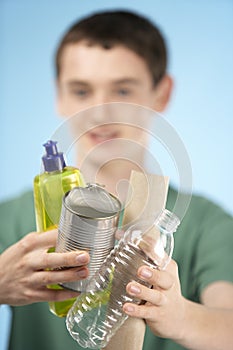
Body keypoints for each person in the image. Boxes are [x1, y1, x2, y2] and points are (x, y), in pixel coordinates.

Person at [0, 9, 233, 350]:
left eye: (122, 91)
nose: (100, 111)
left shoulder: (206, 226)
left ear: (162, 93)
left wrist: (180, 316)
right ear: (59, 95)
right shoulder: (11, 219)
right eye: (81, 91)